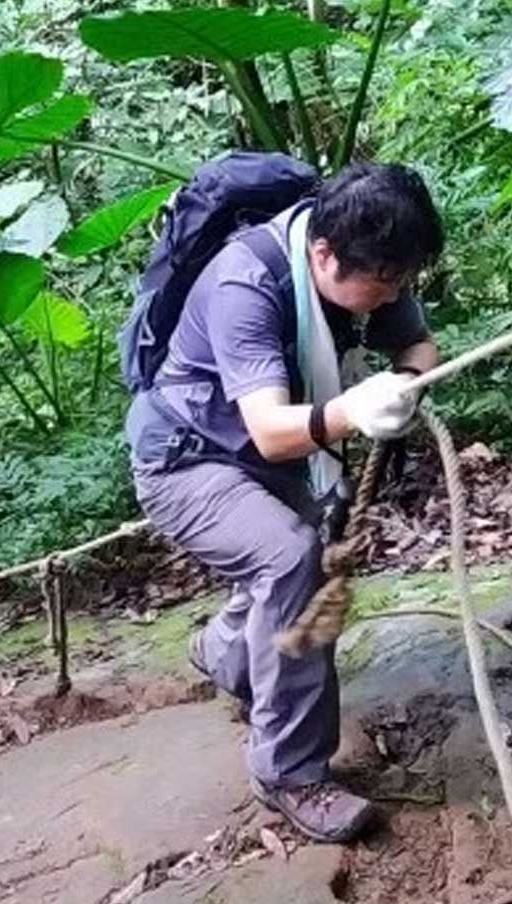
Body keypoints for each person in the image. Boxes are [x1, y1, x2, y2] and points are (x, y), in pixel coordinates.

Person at [125, 162, 443, 843]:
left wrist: (406, 383)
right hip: (186, 461)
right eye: (382, 281)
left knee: (303, 564)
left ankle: (224, 653)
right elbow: (272, 433)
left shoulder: (369, 264)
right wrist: (354, 409)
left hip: (270, 460)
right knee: (292, 559)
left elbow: (416, 344)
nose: (391, 294)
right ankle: (291, 773)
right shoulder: (247, 282)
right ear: (323, 255)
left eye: (401, 280)